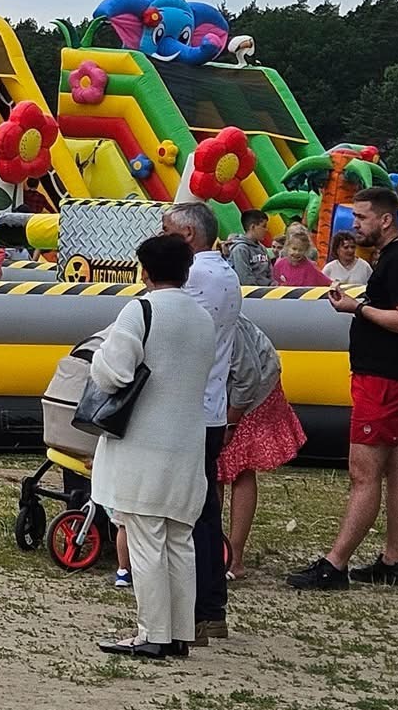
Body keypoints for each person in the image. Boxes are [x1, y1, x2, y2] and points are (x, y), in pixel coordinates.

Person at [290, 186, 398, 590]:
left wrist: (358, 308)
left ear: (385, 219)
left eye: (361, 218)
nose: (354, 226)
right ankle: (393, 561)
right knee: (397, 464)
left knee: (363, 472)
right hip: (394, 375)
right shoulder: (396, 257)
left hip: (386, 379)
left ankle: (335, 564)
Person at [92, 234, 217, 660]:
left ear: (144, 270)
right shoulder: (202, 318)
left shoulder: (139, 309)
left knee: (146, 540)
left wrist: (98, 357)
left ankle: (153, 634)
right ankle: (180, 631)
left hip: (143, 444)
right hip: (187, 443)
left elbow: (114, 374)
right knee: (180, 540)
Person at [160, 201, 238, 643]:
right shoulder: (223, 273)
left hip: (188, 407)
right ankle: (209, 607)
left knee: (189, 515)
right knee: (202, 511)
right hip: (208, 405)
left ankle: (198, 607)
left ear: (187, 236)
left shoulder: (197, 277)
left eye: (166, 229)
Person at [220, 316, 307, 579]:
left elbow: (248, 378)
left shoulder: (224, 322)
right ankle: (213, 549)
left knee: (239, 466)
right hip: (230, 387)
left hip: (255, 388)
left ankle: (233, 558)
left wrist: (230, 423)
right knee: (212, 468)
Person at [225, 210, 273, 287]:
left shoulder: (262, 248)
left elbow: (270, 271)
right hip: (253, 295)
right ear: (253, 227)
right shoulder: (240, 249)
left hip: (268, 291)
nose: (266, 230)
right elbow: (245, 277)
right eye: (263, 226)